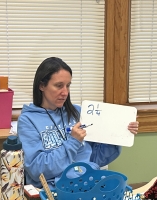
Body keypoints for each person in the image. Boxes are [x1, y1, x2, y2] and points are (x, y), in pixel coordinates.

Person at [17, 57, 139, 186]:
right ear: (42, 86)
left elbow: (95, 158)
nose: (65, 92)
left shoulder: (78, 112)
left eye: (68, 85)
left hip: (86, 183)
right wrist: (73, 142)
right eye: (59, 86)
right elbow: (37, 170)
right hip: (53, 190)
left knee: (123, 188)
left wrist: (118, 133)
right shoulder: (28, 120)